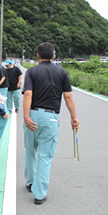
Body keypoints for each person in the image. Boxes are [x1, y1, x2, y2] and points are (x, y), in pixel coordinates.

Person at [22, 42, 80, 205]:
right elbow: (68, 97)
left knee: (30, 150)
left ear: (37, 56)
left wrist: (26, 116)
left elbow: (27, 94)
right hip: (51, 117)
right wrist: (74, 117)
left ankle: (30, 182)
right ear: (54, 56)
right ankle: (39, 194)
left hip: (32, 115)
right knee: (45, 156)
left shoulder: (32, 71)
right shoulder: (62, 72)